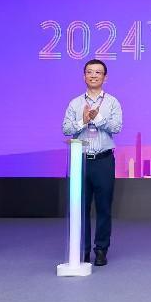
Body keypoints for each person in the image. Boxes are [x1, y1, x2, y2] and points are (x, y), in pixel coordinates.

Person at [62, 59, 123, 266]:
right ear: (84, 76)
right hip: (80, 161)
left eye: (98, 72)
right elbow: (66, 129)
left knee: (104, 208)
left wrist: (97, 118)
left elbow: (117, 127)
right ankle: (83, 250)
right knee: (81, 208)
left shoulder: (112, 102)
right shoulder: (75, 103)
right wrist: (84, 120)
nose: (93, 76)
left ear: (105, 77)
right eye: (90, 72)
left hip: (103, 161)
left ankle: (101, 250)